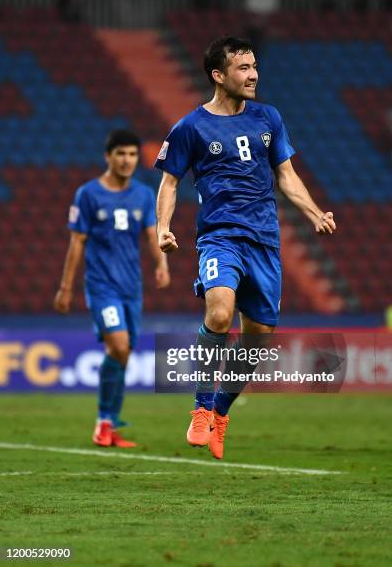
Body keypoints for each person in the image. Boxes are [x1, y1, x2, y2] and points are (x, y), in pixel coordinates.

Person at [155, 36, 336, 460]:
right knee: (219, 311)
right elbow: (169, 182)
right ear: (219, 75)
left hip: (265, 243)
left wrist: (312, 212)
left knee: (257, 342)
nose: (253, 74)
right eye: (243, 68)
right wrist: (163, 228)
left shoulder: (269, 118)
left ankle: (220, 413)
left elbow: (286, 175)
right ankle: (201, 407)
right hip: (219, 236)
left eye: (254, 66)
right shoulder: (190, 127)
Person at [54, 129, 170, 448]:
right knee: (118, 346)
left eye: (132, 154)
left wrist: (162, 264)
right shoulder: (88, 194)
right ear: (108, 156)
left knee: (123, 352)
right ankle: (103, 421)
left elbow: (151, 233)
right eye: (120, 154)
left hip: (131, 287)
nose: (127, 160)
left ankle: (110, 422)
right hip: (102, 286)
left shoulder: (144, 195)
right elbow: (77, 242)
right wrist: (66, 288)